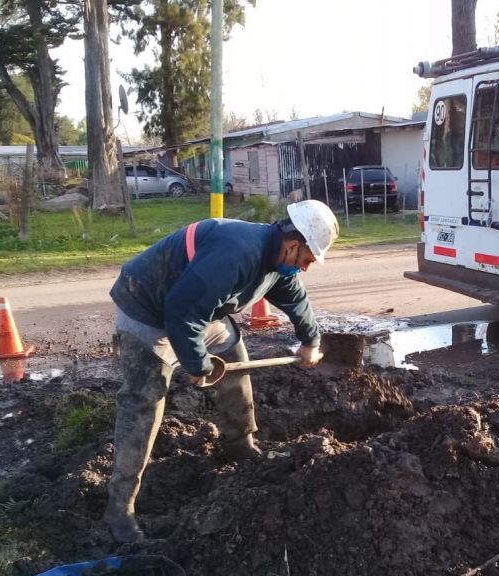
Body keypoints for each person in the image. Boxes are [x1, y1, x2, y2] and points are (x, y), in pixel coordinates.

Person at [104, 200, 339, 542]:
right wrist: (198, 364)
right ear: (293, 244)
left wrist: (311, 341)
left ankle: (239, 442)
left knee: (232, 355)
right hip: (147, 305)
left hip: (194, 309)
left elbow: (296, 300)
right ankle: (119, 509)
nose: (305, 268)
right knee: (144, 400)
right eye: (306, 260)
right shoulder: (237, 252)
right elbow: (182, 310)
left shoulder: (277, 262)